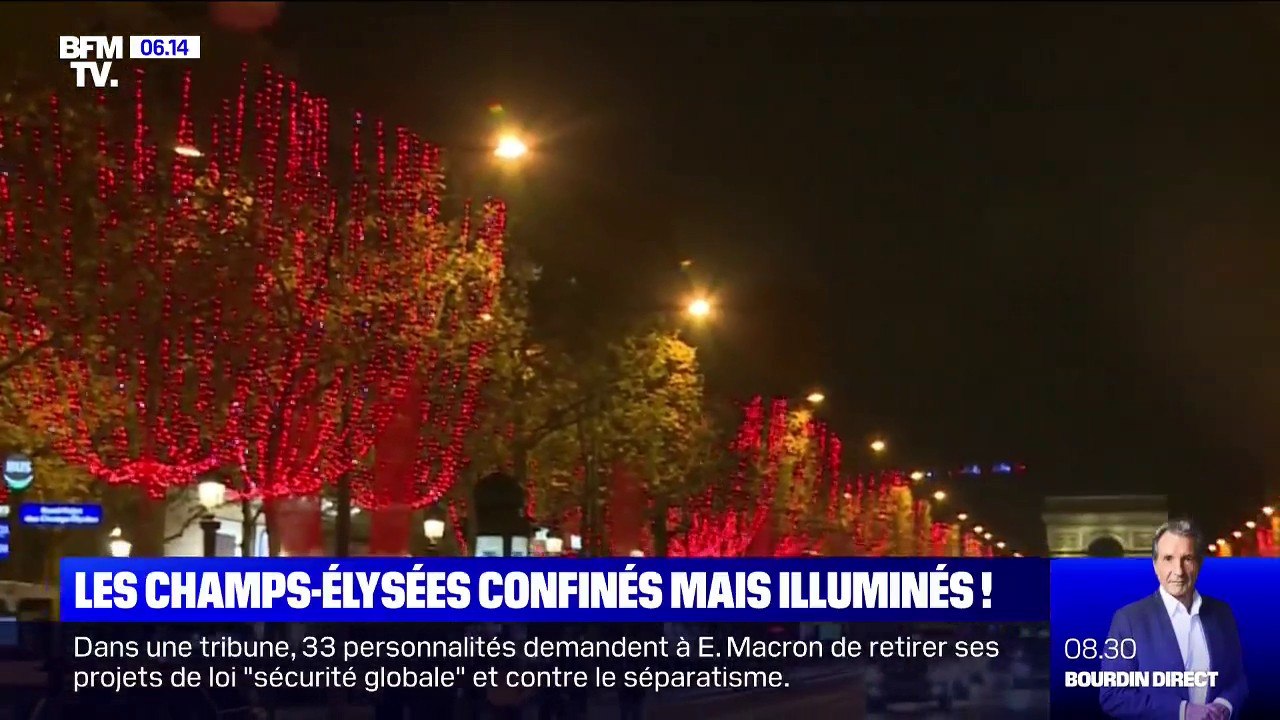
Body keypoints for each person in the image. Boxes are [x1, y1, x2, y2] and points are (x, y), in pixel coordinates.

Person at [1099, 519, 1247, 720]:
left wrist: (1224, 706)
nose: (1178, 571)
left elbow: (1237, 679)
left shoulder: (1222, 613)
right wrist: (1183, 711)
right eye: (1168, 558)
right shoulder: (1128, 620)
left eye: (1187, 558)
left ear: (1199, 564)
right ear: (1155, 565)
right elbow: (1113, 695)